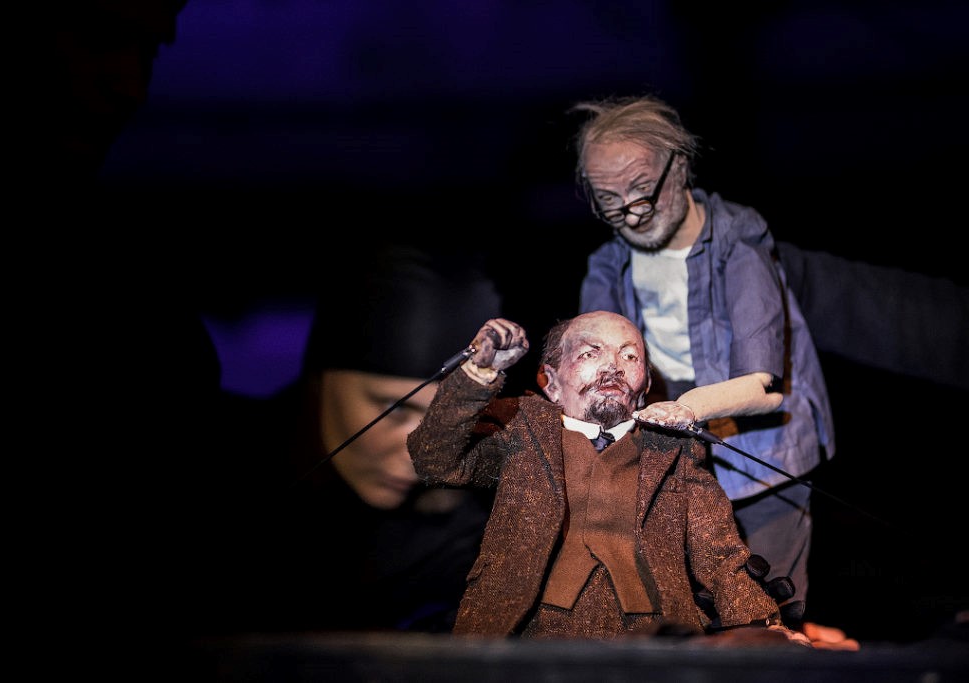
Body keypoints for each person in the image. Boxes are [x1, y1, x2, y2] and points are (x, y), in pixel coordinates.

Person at [570, 95, 838, 640]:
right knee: (678, 612)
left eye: (642, 190)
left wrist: (685, 409)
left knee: (767, 612)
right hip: (668, 459)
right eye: (608, 200)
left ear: (681, 166)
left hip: (760, 454)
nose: (632, 212)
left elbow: (764, 387)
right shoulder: (607, 263)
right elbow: (584, 374)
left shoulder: (738, 243)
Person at [407, 310, 810, 644]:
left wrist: (764, 629)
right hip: (529, 636)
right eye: (590, 353)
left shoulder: (677, 451)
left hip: (654, 637)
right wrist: (478, 375)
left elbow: (718, 553)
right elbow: (433, 459)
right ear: (550, 382)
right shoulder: (521, 432)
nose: (613, 366)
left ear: (646, 385)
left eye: (630, 357)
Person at [233, 243, 505, 635]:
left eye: (457, 419)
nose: (420, 451)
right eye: (394, 409)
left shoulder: (476, 539)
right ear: (320, 380)